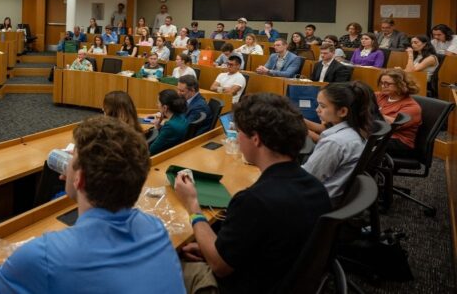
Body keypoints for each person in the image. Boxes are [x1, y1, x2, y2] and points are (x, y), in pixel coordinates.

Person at [0, 117, 184, 294]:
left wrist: (18, 265)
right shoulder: (156, 228)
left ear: (79, 179)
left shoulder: (43, 256)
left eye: (73, 158)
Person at [174, 93, 330, 294]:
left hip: (241, 285)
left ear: (256, 139)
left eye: (238, 132)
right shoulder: (317, 188)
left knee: (167, 261)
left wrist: (193, 206)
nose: (237, 138)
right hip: (280, 277)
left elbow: (219, 266)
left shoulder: (253, 201)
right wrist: (210, 246)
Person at [302, 82, 372, 202]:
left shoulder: (334, 142)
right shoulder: (357, 130)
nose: (317, 110)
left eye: (322, 106)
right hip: (336, 195)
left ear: (342, 111)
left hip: (318, 200)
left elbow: (306, 179)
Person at [375, 69, 422, 156]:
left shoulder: (412, 107)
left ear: (400, 84)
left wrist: (372, 112)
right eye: (382, 83)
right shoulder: (381, 96)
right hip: (381, 135)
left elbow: (392, 125)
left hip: (399, 142)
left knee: (362, 141)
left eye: (387, 84)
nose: (383, 86)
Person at [149, 90, 192, 155]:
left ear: (165, 107)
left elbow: (151, 150)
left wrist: (155, 128)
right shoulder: (182, 117)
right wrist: (159, 127)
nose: (157, 105)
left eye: (158, 103)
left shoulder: (170, 126)